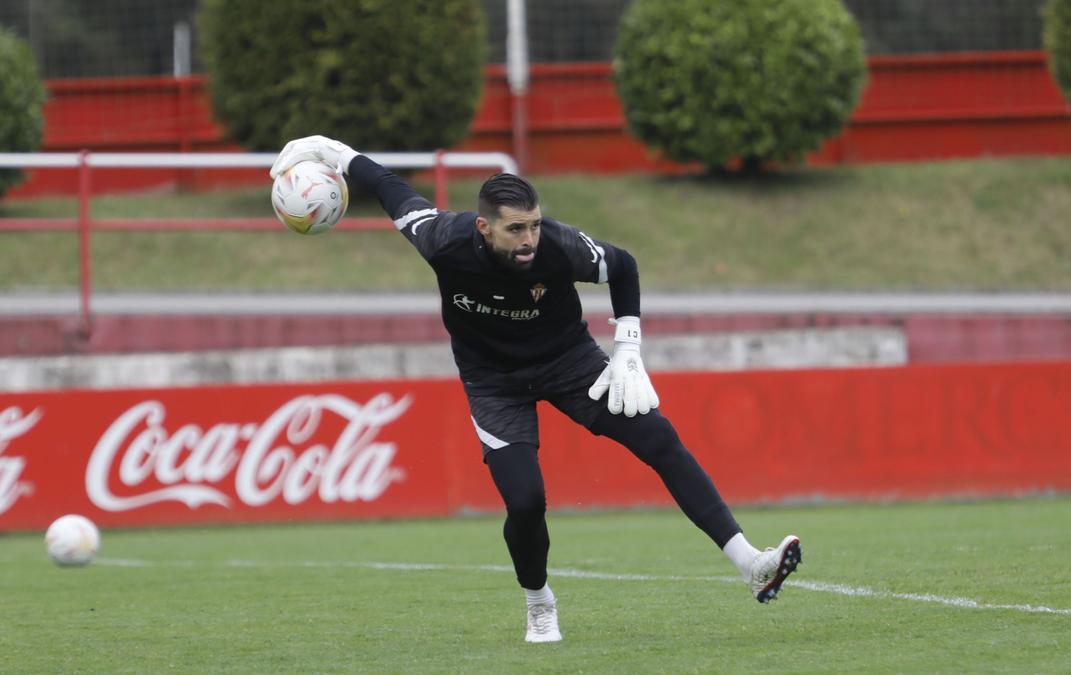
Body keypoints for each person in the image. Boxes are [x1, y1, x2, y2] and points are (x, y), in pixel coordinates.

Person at [270, 136, 802, 644]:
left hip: (568, 362)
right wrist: (338, 154)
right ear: (483, 228)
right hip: (493, 383)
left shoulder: (560, 247)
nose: (529, 240)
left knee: (659, 439)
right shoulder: (442, 239)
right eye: (515, 229)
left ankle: (750, 564)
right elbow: (390, 189)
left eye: (535, 225)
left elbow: (623, 266)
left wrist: (629, 348)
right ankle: (539, 603)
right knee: (525, 501)